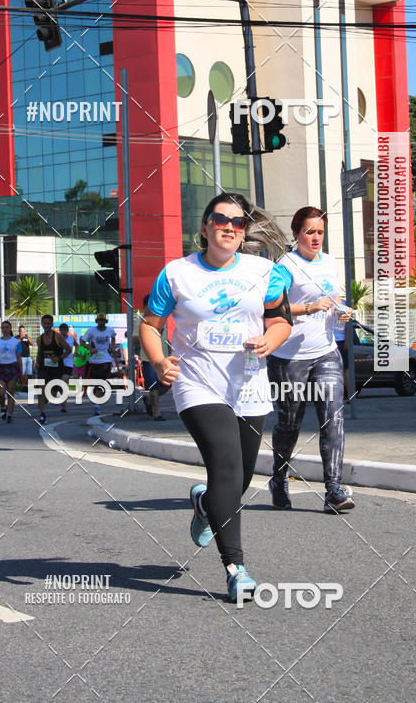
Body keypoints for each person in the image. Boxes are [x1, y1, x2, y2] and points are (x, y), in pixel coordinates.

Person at [140, 192, 293, 602]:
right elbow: (151, 325)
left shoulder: (265, 272)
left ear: (244, 232)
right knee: (225, 464)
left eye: (238, 222)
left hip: (248, 384)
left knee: (240, 477)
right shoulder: (177, 274)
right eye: (220, 219)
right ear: (205, 228)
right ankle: (235, 568)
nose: (229, 227)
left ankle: (207, 504)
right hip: (197, 381)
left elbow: (281, 321)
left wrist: (270, 339)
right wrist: (159, 361)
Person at [267, 206, 355, 514]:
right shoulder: (285, 265)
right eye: (309, 232)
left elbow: (334, 298)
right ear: (296, 234)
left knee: (333, 418)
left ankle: (333, 490)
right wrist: (310, 307)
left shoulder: (329, 262)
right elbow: (273, 306)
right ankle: (279, 478)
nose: (316, 238)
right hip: (289, 357)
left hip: (326, 352)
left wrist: (341, 310)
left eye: (320, 232)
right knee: (289, 424)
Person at [133, 295, 170, 421]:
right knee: (153, 387)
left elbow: (166, 339)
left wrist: (170, 354)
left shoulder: (163, 318)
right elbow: (134, 339)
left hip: (164, 358)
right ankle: (157, 414)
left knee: (167, 385)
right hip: (149, 359)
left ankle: (148, 399)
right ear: (145, 307)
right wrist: (148, 336)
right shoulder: (140, 319)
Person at [34, 314, 70, 424]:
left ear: (52, 324)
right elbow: (39, 353)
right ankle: (42, 414)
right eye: (44, 323)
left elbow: (68, 350)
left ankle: (45, 403)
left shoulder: (58, 337)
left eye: (48, 323)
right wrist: (36, 363)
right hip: (43, 369)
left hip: (56, 370)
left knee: (51, 395)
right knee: (41, 391)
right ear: (42, 324)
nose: (46, 325)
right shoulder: (40, 339)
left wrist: (59, 358)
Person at [81, 313, 117, 416]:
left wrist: (112, 347)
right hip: (94, 360)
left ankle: (97, 405)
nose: (101, 322)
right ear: (96, 321)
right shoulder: (92, 330)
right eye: (99, 321)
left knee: (102, 381)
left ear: (106, 322)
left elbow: (113, 337)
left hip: (105, 359)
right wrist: (90, 348)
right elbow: (82, 341)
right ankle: (97, 398)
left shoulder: (110, 330)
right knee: (95, 383)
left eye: (103, 321)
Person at [0, 321, 23, 423]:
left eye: (7, 327)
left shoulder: (16, 342)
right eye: (3, 327)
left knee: (10, 392)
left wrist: (21, 372)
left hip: (12, 367)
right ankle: (3, 407)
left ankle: (10, 414)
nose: (5, 329)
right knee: (0, 393)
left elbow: (19, 358)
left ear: (10, 328)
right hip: (1, 367)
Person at [57, 323, 76, 413]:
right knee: (60, 384)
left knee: (64, 382)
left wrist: (76, 353)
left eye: (65, 330)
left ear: (67, 331)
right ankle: (63, 397)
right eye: (62, 330)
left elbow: (77, 345)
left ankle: (63, 404)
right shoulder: (57, 339)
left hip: (69, 363)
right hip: (59, 363)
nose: (63, 332)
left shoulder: (71, 338)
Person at [18, 326, 34, 392]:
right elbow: (15, 344)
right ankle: (22, 386)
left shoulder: (27, 337)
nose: (22, 332)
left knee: (28, 373)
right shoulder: (17, 337)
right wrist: (21, 338)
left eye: (23, 331)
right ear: (19, 331)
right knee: (22, 373)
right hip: (21, 357)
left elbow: (32, 344)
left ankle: (25, 386)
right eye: (21, 330)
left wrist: (28, 337)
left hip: (28, 356)